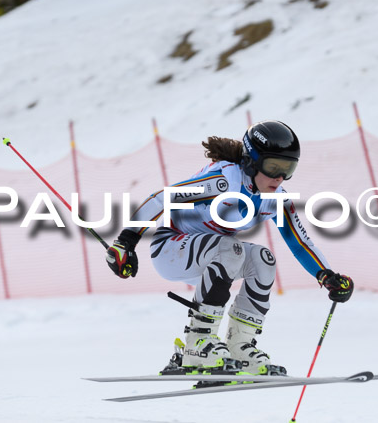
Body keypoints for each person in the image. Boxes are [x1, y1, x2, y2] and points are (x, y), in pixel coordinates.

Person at [105, 120, 354, 375]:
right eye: (272, 167)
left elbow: (300, 242)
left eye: (288, 169)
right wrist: (126, 241)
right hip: (171, 248)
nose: (279, 177)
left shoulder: (275, 198)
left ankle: (239, 346)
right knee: (230, 248)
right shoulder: (225, 180)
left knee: (263, 259)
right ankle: (196, 344)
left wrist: (326, 275)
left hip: (215, 257)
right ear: (251, 160)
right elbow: (162, 197)